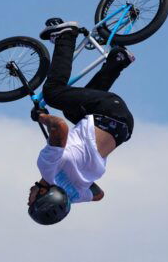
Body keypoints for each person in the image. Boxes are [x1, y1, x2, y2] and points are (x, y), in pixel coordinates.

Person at [27, 18, 135, 225]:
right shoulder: (47, 167)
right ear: (43, 195)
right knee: (52, 93)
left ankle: (118, 60)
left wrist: (80, 178)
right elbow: (59, 127)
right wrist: (41, 116)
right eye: (31, 203)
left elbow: (99, 194)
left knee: (72, 111)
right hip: (107, 112)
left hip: (123, 128)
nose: (27, 202)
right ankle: (66, 36)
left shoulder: (76, 195)